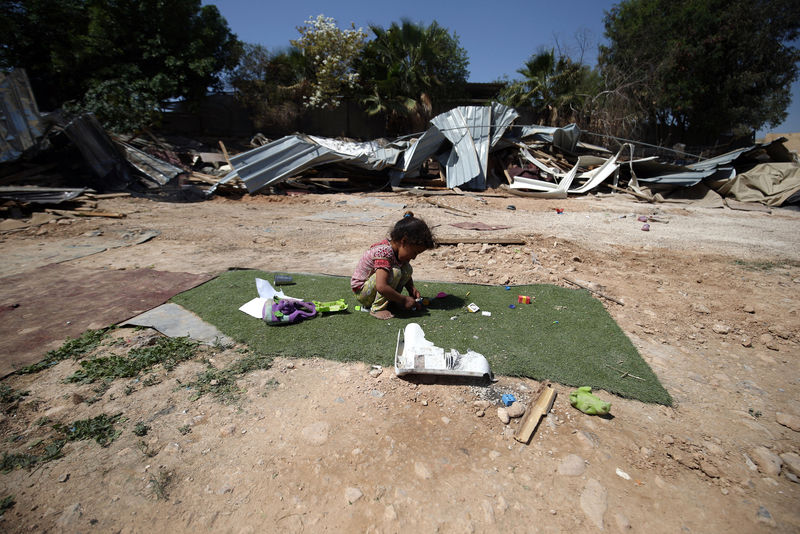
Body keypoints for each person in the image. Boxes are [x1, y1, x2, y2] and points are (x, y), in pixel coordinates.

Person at [351, 211, 435, 319]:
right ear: (403, 242)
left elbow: (405, 272)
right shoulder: (384, 252)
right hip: (363, 293)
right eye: (415, 252)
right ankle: (377, 308)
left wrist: (411, 288)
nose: (414, 257)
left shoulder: (398, 253)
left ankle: (391, 300)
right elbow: (381, 286)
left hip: (376, 289)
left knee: (406, 269)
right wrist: (403, 299)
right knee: (395, 272)